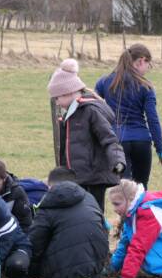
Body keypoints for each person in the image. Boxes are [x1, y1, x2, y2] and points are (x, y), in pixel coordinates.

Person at [49, 58, 126, 214]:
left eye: (57, 98)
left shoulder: (90, 111)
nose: (56, 102)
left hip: (93, 177)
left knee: (93, 212)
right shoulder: (69, 115)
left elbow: (109, 139)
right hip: (77, 176)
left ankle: (99, 236)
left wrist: (117, 160)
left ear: (69, 92)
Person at [95, 44, 162, 188]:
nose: (148, 70)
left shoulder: (104, 82)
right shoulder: (146, 87)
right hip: (142, 142)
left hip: (117, 145)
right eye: (149, 64)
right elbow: (153, 120)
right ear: (141, 61)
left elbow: (94, 110)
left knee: (123, 189)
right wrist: (160, 150)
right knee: (141, 190)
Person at [27, 168, 109, 278]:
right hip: (95, 268)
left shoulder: (47, 207)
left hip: (61, 276)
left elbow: (35, 245)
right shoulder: (89, 198)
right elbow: (104, 228)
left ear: (49, 186)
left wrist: (28, 277)